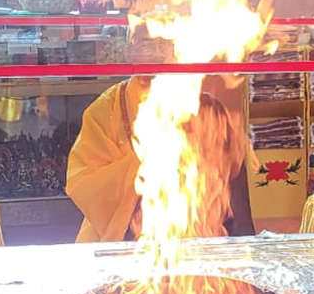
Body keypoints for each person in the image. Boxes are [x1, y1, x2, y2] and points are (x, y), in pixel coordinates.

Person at [66, 76, 255, 242]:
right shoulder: (106, 108)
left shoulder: (205, 108)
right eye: (143, 47)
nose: (151, 54)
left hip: (199, 242)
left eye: (159, 48)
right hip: (126, 245)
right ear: (128, 51)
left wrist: (247, 251)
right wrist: (153, 160)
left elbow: (236, 191)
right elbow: (84, 183)